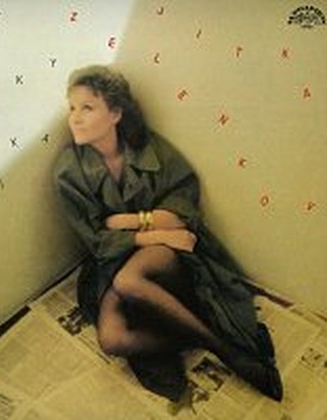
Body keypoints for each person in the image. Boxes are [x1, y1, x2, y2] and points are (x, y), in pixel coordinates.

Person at [53, 65, 283, 403]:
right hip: (117, 257)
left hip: (165, 257)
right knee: (112, 339)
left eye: (87, 107)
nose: (75, 117)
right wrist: (155, 234)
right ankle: (214, 339)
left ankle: (231, 356)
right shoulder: (68, 172)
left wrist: (130, 220)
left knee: (129, 281)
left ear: (115, 113)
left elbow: (180, 211)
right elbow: (97, 240)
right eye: (72, 107)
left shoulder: (149, 148)